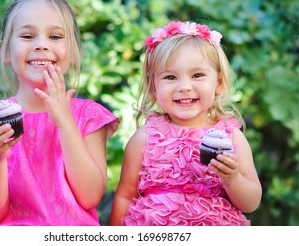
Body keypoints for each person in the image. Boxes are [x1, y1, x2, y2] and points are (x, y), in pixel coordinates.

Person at [0, 0, 119, 226]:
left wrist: (65, 122)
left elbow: (90, 196)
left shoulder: (88, 117)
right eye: (27, 36)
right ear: (5, 51)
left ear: (74, 52)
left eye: (55, 37)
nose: (41, 45)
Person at [110, 21, 261, 226]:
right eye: (170, 77)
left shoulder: (230, 137)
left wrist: (233, 179)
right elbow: (125, 197)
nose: (184, 87)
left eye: (197, 75)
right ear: (153, 87)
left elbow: (251, 203)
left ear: (218, 83)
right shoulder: (145, 138)